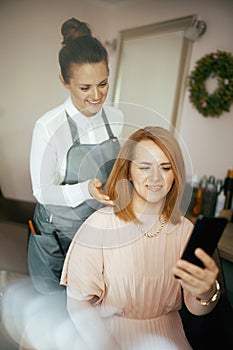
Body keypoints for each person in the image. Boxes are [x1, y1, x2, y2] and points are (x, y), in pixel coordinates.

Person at [61, 126, 221, 350]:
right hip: (107, 340)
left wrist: (206, 292)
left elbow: (195, 308)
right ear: (128, 172)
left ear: (176, 174)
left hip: (170, 339)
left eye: (166, 168)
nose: (156, 178)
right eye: (145, 167)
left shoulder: (184, 229)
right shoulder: (100, 225)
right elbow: (78, 304)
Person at [28, 17, 124, 294]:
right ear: (64, 81)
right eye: (85, 88)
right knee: (55, 314)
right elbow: (42, 192)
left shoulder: (116, 118)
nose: (97, 96)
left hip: (96, 235)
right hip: (57, 239)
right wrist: (86, 190)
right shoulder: (48, 127)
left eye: (103, 84)